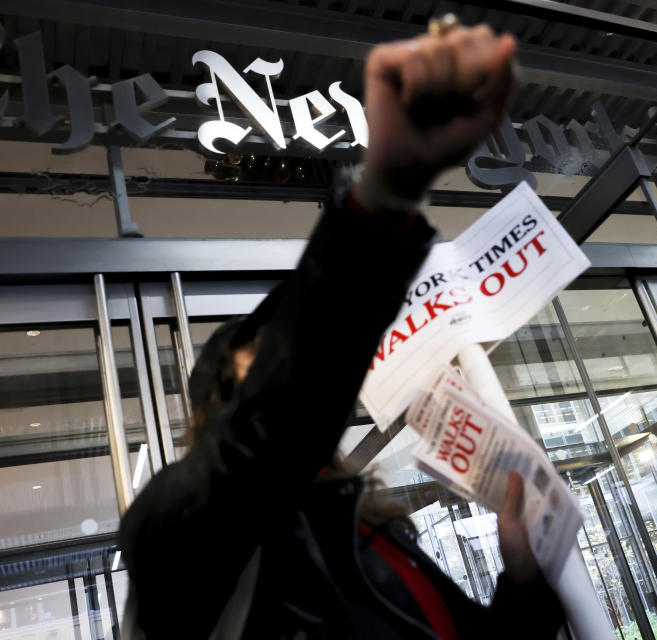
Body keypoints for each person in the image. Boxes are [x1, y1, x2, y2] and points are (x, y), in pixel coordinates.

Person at [119, 20, 565, 639]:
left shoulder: (365, 526)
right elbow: (279, 422)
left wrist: (520, 575)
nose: (301, 357)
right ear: (224, 401)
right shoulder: (175, 530)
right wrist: (386, 195)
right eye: (269, 353)